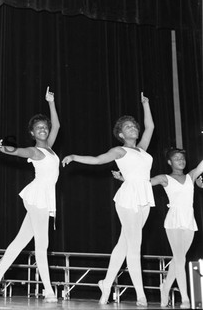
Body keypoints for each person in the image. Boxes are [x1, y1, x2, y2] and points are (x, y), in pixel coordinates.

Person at [62, 92, 154, 306]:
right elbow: (97, 160)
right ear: (121, 135)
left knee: (124, 244)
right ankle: (141, 294)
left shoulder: (142, 149)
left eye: (134, 126)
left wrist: (145, 105)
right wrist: (75, 157)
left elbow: (150, 128)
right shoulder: (119, 151)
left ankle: (106, 284)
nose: (133, 128)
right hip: (128, 197)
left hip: (144, 197)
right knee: (135, 245)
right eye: (128, 127)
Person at [0, 87, 60, 303]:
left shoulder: (51, 149)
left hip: (44, 197)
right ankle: (48, 291)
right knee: (42, 245)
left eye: (44, 127)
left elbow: (57, 125)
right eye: (38, 128)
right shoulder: (35, 151)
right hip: (38, 197)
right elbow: (19, 151)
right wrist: (2, 148)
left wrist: (50, 102)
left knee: (20, 242)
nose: (43, 130)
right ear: (32, 133)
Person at [113, 148, 203, 308]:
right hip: (174, 221)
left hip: (189, 220)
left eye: (182, 158)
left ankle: (165, 287)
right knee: (180, 259)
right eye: (176, 158)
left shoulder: (191, 176)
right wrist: (124, 178)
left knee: (178, 259)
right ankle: (185, 299)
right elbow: (143, 182)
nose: (181, 161)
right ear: (170, 162)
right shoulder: (165, 178)